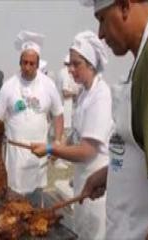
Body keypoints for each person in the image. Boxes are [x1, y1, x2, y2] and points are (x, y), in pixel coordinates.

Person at [79, 1, 148, 239]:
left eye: (102, 19)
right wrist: (110, 174)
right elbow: (144, 145)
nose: (100, 33)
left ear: (125, 6)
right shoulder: (144, 56)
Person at [31, 31, 113, 240]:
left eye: (76, 65)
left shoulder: (101, 96)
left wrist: (51, 147)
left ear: (91, 65)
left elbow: (87, 151)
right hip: (82, 182)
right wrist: (61, 145)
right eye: (70, 65)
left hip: (96, 188)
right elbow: (78, 134)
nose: (71, 70)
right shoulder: (85, 93)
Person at [0, 30, 64, 199]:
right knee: (14, 199)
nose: (27, 67)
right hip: (15, 156)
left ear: (38, 65)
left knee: (36, 199)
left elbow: (58, 114)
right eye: (24, 63)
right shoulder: (9, 86)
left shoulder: (48, 85)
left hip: (39, 155)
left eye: (32, 63)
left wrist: (58, 141)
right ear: (20, 62)